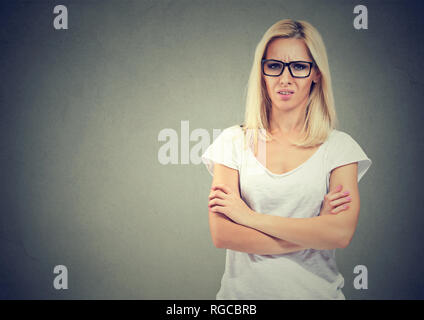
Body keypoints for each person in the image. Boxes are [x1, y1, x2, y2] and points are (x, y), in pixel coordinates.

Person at [201, 19, 372, 300]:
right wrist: (315, 230)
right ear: (262, 72)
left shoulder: (340, 149)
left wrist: (248, 217)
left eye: (299, 67)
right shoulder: (232, 142)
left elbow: (340, 234)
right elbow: (223, 234)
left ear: (316, 73)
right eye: (274, 66)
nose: (285, 78)